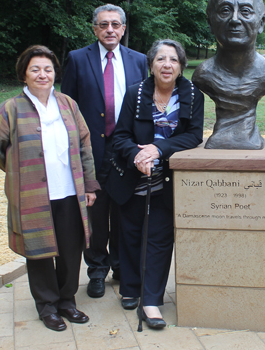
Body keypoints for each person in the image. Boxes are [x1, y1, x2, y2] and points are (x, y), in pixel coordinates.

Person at [0, 45, 100, 331]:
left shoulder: (68, 105)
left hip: (70, 191)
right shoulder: (10, 109)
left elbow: (85, 144)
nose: (42, 74)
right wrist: (18, 172)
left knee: (71, 249)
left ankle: (67, 301)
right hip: (33, 196)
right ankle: (47, 306)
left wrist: (89, 184)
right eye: (35, 69)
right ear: (24, 74)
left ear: (54, 73)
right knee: (39, 251)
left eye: (47, 69)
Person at [107, 39, 204, 328]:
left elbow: (194, 136)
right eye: (161, 59)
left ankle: (151, 300)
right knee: (131, 233)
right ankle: (130, 289)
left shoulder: (192, 94)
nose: (167, 65)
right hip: (134, 176)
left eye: (173, 60)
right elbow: (120, 136)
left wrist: (158, 149)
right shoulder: (135, 93)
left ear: (181, 65)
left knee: (160, 239)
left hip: (169, 180)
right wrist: (138, 153)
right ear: (151, 64)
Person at [61, 4, 148, 298]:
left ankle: (122, 268)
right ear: (94, 29)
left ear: (123, 28)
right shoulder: (76, 59)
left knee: (125, 210)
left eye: (115, 24)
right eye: (103, 25)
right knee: (96, 214)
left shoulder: (139, 60)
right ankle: (96, 270)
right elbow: (67, 107)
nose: (109, 30)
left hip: (126, 149)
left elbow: (143, 105)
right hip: (91, 150)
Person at [192, 0, 265, 150]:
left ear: (260, 23)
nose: (235, 19)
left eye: (246, 11)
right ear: (210, 23)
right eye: (225, 10)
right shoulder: (202, 75)